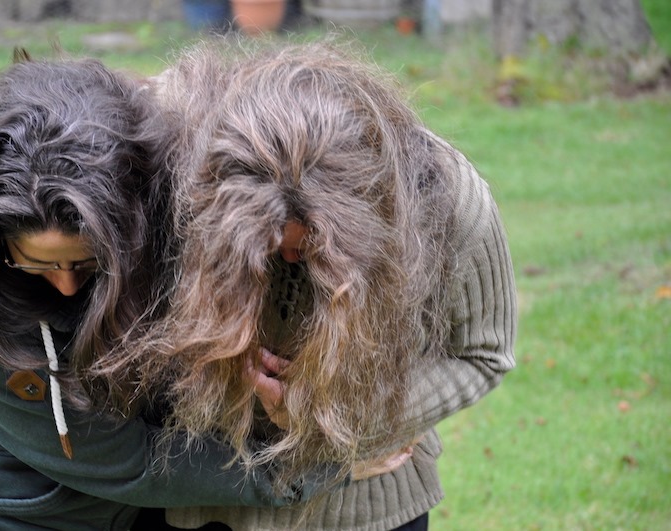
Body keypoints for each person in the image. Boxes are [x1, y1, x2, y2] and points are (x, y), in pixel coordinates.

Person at [0, 51, 353, 530]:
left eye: (86, 262)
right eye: (35, 264)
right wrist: (316, 469)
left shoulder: (158, 180)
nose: (64, 284)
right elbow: (127, 463)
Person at [100, 41, 518, 530]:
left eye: (310, 247)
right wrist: (210, 355)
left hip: (362, 507)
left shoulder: (449, 202)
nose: (289, 260)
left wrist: (350, 418)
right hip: (199, 497)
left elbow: (485, 352)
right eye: (268, 247)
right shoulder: (174, 149)